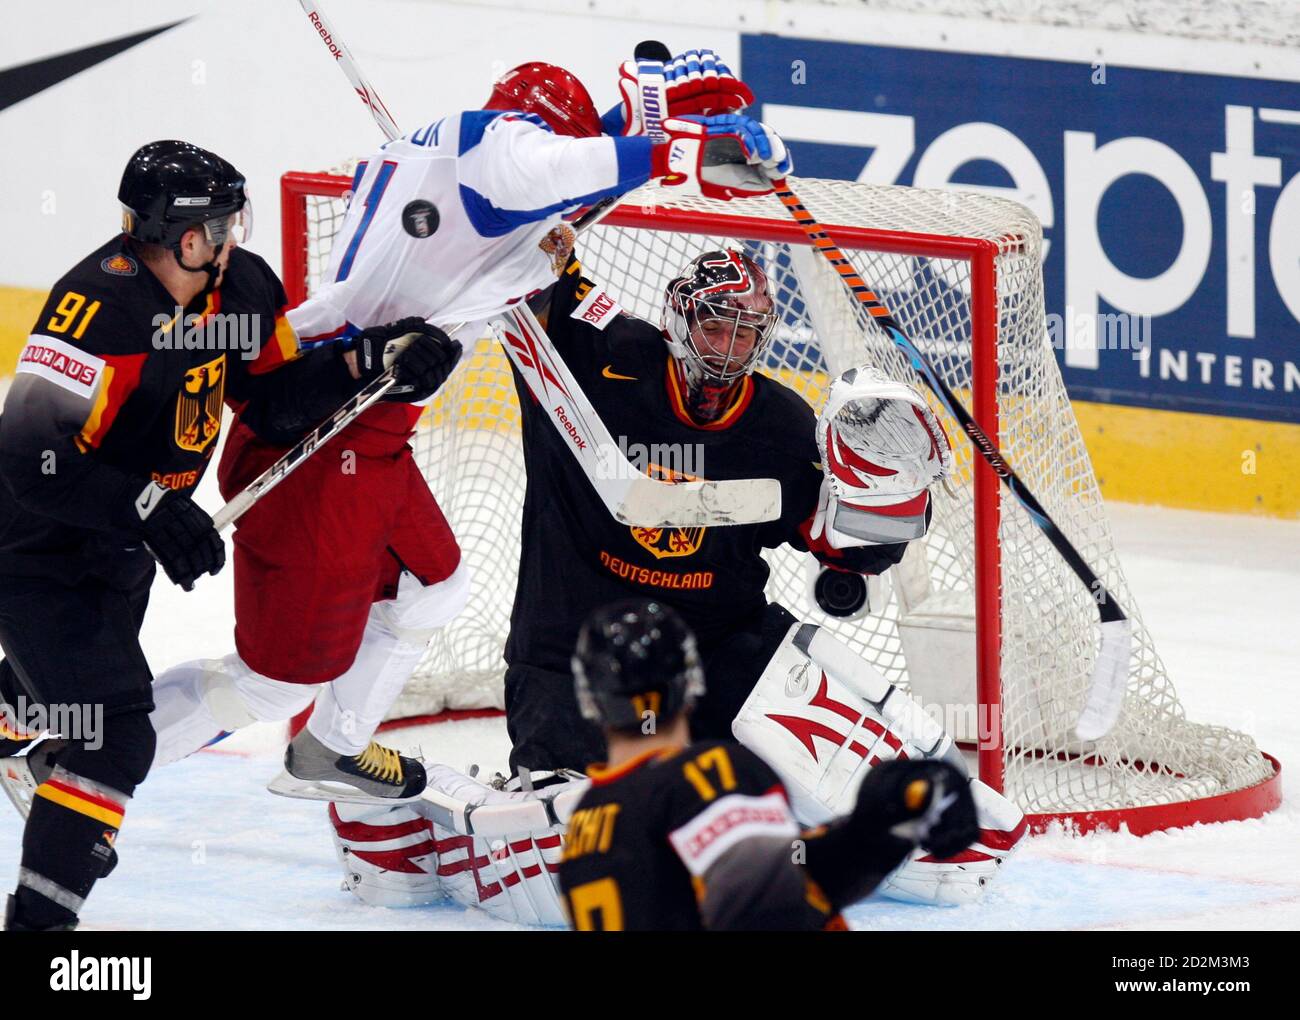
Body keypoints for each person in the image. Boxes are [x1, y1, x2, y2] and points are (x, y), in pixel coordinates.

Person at [144, 52, 793, 802]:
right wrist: (685, 151)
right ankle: (86, 754)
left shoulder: (457, 157)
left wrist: (641, 131)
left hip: (373, 426)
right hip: (325, 433)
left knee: (436, 581)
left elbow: (568, 182)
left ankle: (334, 745)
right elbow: (558, 166)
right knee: (271, 685)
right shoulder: (506, 154)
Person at [331, 248, 1027, 914]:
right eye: (716, 323)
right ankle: (406, 811)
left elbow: (839, 558)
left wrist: (886, 506)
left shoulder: (782, 424)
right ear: (678, 318)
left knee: (942, 852)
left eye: (747, 329)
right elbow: (529, 262)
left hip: (720, 652)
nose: (729, 345)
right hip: (573, 656)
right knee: (574, 860)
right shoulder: (594, 354)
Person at [0, 139, 450, 929]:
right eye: (221, 222)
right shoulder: (94, 309)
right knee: (112, 740)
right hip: (38, 549)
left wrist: (368, 366)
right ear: (183, 235)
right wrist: (146, 504)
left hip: (120, 548)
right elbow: (26, 456)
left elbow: (272, 400)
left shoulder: (238, 288)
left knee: (58, 697)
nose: (234, 235)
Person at [558, 600, 979, 930]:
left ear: (589, 702)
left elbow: (772, 882)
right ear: (691, 684)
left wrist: (873, 834)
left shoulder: (582, 827)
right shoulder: (707, 774)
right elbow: (771, 910)